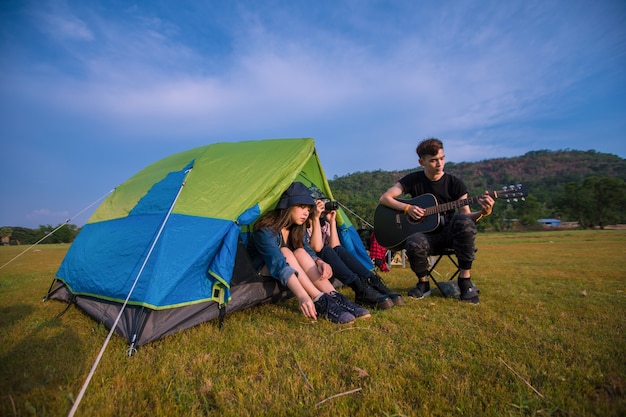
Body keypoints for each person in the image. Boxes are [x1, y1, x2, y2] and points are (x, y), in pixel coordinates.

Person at [378, 138, 495, 304]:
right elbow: (385, 198)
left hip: (449, 235)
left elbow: (467, 215)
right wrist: (407, 209)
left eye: (442, 158)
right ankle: (423, 284)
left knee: (463, 221)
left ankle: (465, 281)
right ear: (422, 162)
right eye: (433, 160)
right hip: (425, 237)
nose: (439, 164)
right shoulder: (413, 180)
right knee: (413, 241)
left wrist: (484, 212)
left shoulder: (455, 184)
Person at [247, 182, 370, 324]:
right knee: (286, 251)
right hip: (262, 270)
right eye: (301, 207)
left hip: (287, 269)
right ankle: (319, 299)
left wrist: (320, 262)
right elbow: (277, 262)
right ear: (287, 205)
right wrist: (302, 296)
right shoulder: (266, 229)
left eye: (308, 208)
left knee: (299, 251)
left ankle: (335, 297)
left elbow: (307, 250)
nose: (306, 212)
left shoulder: (297, 227)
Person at [306, 197, 402, 310]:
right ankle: (359, 288)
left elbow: (335, 247)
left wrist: (332, 222)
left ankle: (373, 282)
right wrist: (315, 217)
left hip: (327, 265)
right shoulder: (304, 225)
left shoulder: (324, 225)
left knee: (337, 250)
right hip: (312, 265)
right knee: (326, 250)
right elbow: (317, 248)